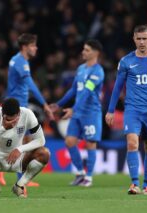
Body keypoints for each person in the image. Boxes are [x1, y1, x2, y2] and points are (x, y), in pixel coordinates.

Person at [105, 25, 147, 195]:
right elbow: (118, 87)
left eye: (144, 38)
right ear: (134, 39)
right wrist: (110, 110)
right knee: (132, 143)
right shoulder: (126, 61)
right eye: (138, 38)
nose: (142, 42)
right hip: (132, 109)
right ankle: (134, 184)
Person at [0, 33, 54, 187]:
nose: (36, 48)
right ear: (25, 47)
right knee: (20, 140)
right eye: (33, 45)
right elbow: (30, 84)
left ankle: (18, 177)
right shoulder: (20, 62)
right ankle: (1, 170)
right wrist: (44, 104)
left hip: (19, 104)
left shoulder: (17, 60)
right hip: (18, 106)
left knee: (24, 140)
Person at [50, 39, 104, 187]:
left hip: (91, 113)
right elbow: (74, 90)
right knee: (69, 141)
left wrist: (73, 109)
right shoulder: (81, 69)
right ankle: (80, 173)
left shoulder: (98, 71)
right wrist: (59, 104)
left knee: (90, 144)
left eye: (87, 50)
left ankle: (89, 177)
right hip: (78, 112)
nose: (83, 52)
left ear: (95, 53)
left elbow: (87, 91)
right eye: (84, 49)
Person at [0, 98, 50, 198]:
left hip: (18, 158)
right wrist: (3, 128)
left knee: (44, 153)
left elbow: (41, 141)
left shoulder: (27, 114)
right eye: (8, 119)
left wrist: (20, 149)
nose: (12, 123)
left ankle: (20, 185)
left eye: (14, 119)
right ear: (2, 113)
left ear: (19, 113)